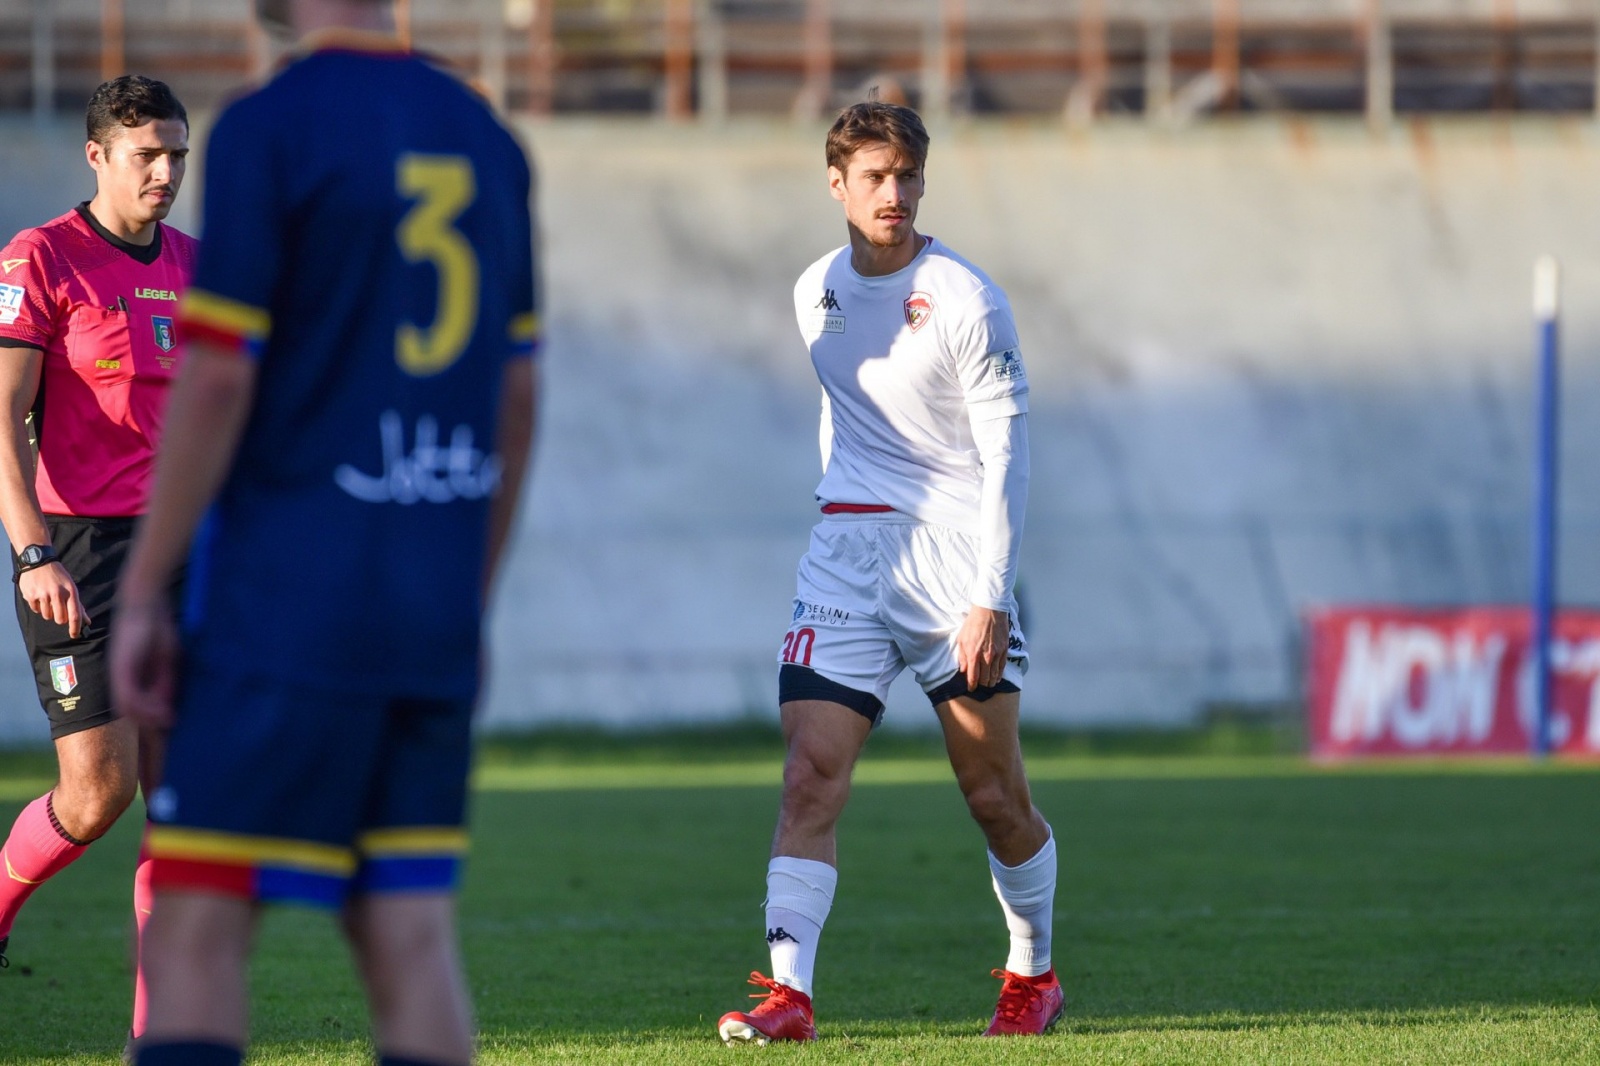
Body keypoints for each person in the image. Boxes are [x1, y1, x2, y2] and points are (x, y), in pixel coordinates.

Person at [107, 1, 539, 1064]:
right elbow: (518, 397)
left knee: (197, 927)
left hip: (283, 602)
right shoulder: (486, 136)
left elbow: (214, 376)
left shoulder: (269, 125)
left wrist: (147, 588)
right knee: (409, 931)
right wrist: (468, 598)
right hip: (425, 604)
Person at [716, 102, 1062, 1044]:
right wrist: (838, 502)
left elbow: (1009, 458)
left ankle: (1032, 975)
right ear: (837, 184)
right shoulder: (814, 290)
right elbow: (845, 407)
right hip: (846, 559)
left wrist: (991, 593)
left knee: (994, 795)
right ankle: (789, 997)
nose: (895, 194)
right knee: (809, 774)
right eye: (875, 176)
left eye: (908, 175)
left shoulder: (965, 297)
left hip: (954, 562)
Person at [0, 74, 194, 1044]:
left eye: (176, 157)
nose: (165, 174)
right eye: (146, 156)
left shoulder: (200, 267)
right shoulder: (42, 258)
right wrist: (33, 549)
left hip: (185, 552)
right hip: (76, 547)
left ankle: (159, 1038)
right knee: (96, 792)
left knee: (183, 799)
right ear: (98, 157)